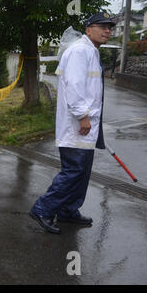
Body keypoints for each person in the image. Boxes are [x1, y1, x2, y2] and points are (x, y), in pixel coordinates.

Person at [29, 13, 116, 234]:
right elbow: (74, 86)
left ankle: (68, 210)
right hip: (78, 124)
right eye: (103, 26)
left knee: (82, 171)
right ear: (88, 29)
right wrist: (82, 116)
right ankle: (42, 209)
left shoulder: (91, 51)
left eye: (110, 27)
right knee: (74, 170)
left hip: (86, 125)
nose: (108, 31)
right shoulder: (79, 51)